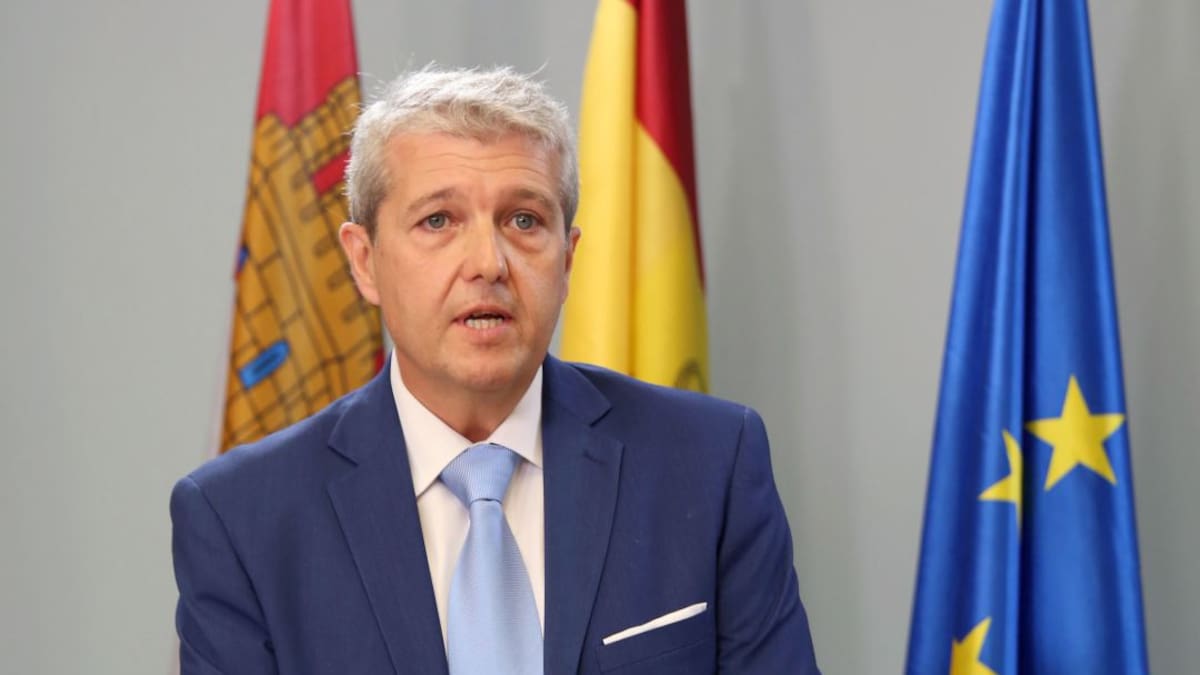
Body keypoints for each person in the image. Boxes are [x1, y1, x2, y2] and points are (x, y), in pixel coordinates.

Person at [171, 65, 820, 675]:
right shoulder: (241, 518)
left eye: (523, 220)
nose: (488, 262)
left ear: (568, 259)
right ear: (364, 260)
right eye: (438, 220)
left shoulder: (709, 463)